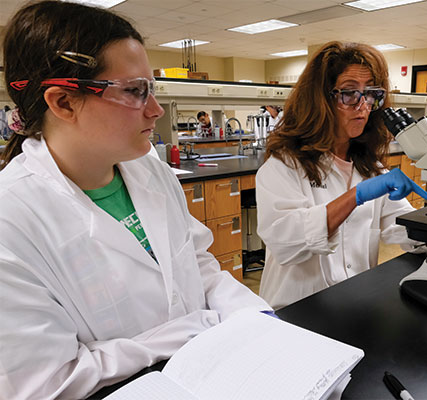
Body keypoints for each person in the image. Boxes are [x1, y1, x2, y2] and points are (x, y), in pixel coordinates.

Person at [0, 2, 271, 399]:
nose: (156, 110)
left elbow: (198, 266)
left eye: (152, 89)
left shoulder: (150, 169)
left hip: (211, 375)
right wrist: (184, 333)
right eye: (134, 92)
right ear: (63, 102)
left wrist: (254, 316)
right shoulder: (12, 217)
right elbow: (47, 383)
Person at [255, 41, 427, 310]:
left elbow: (404, 227)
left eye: (371, 93)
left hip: (354, 307)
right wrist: (355, 197)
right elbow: (284, 241)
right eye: (349, 93)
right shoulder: (283, 166)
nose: (363, 105)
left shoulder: (370, 167)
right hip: (296, 314)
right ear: (320, 98)